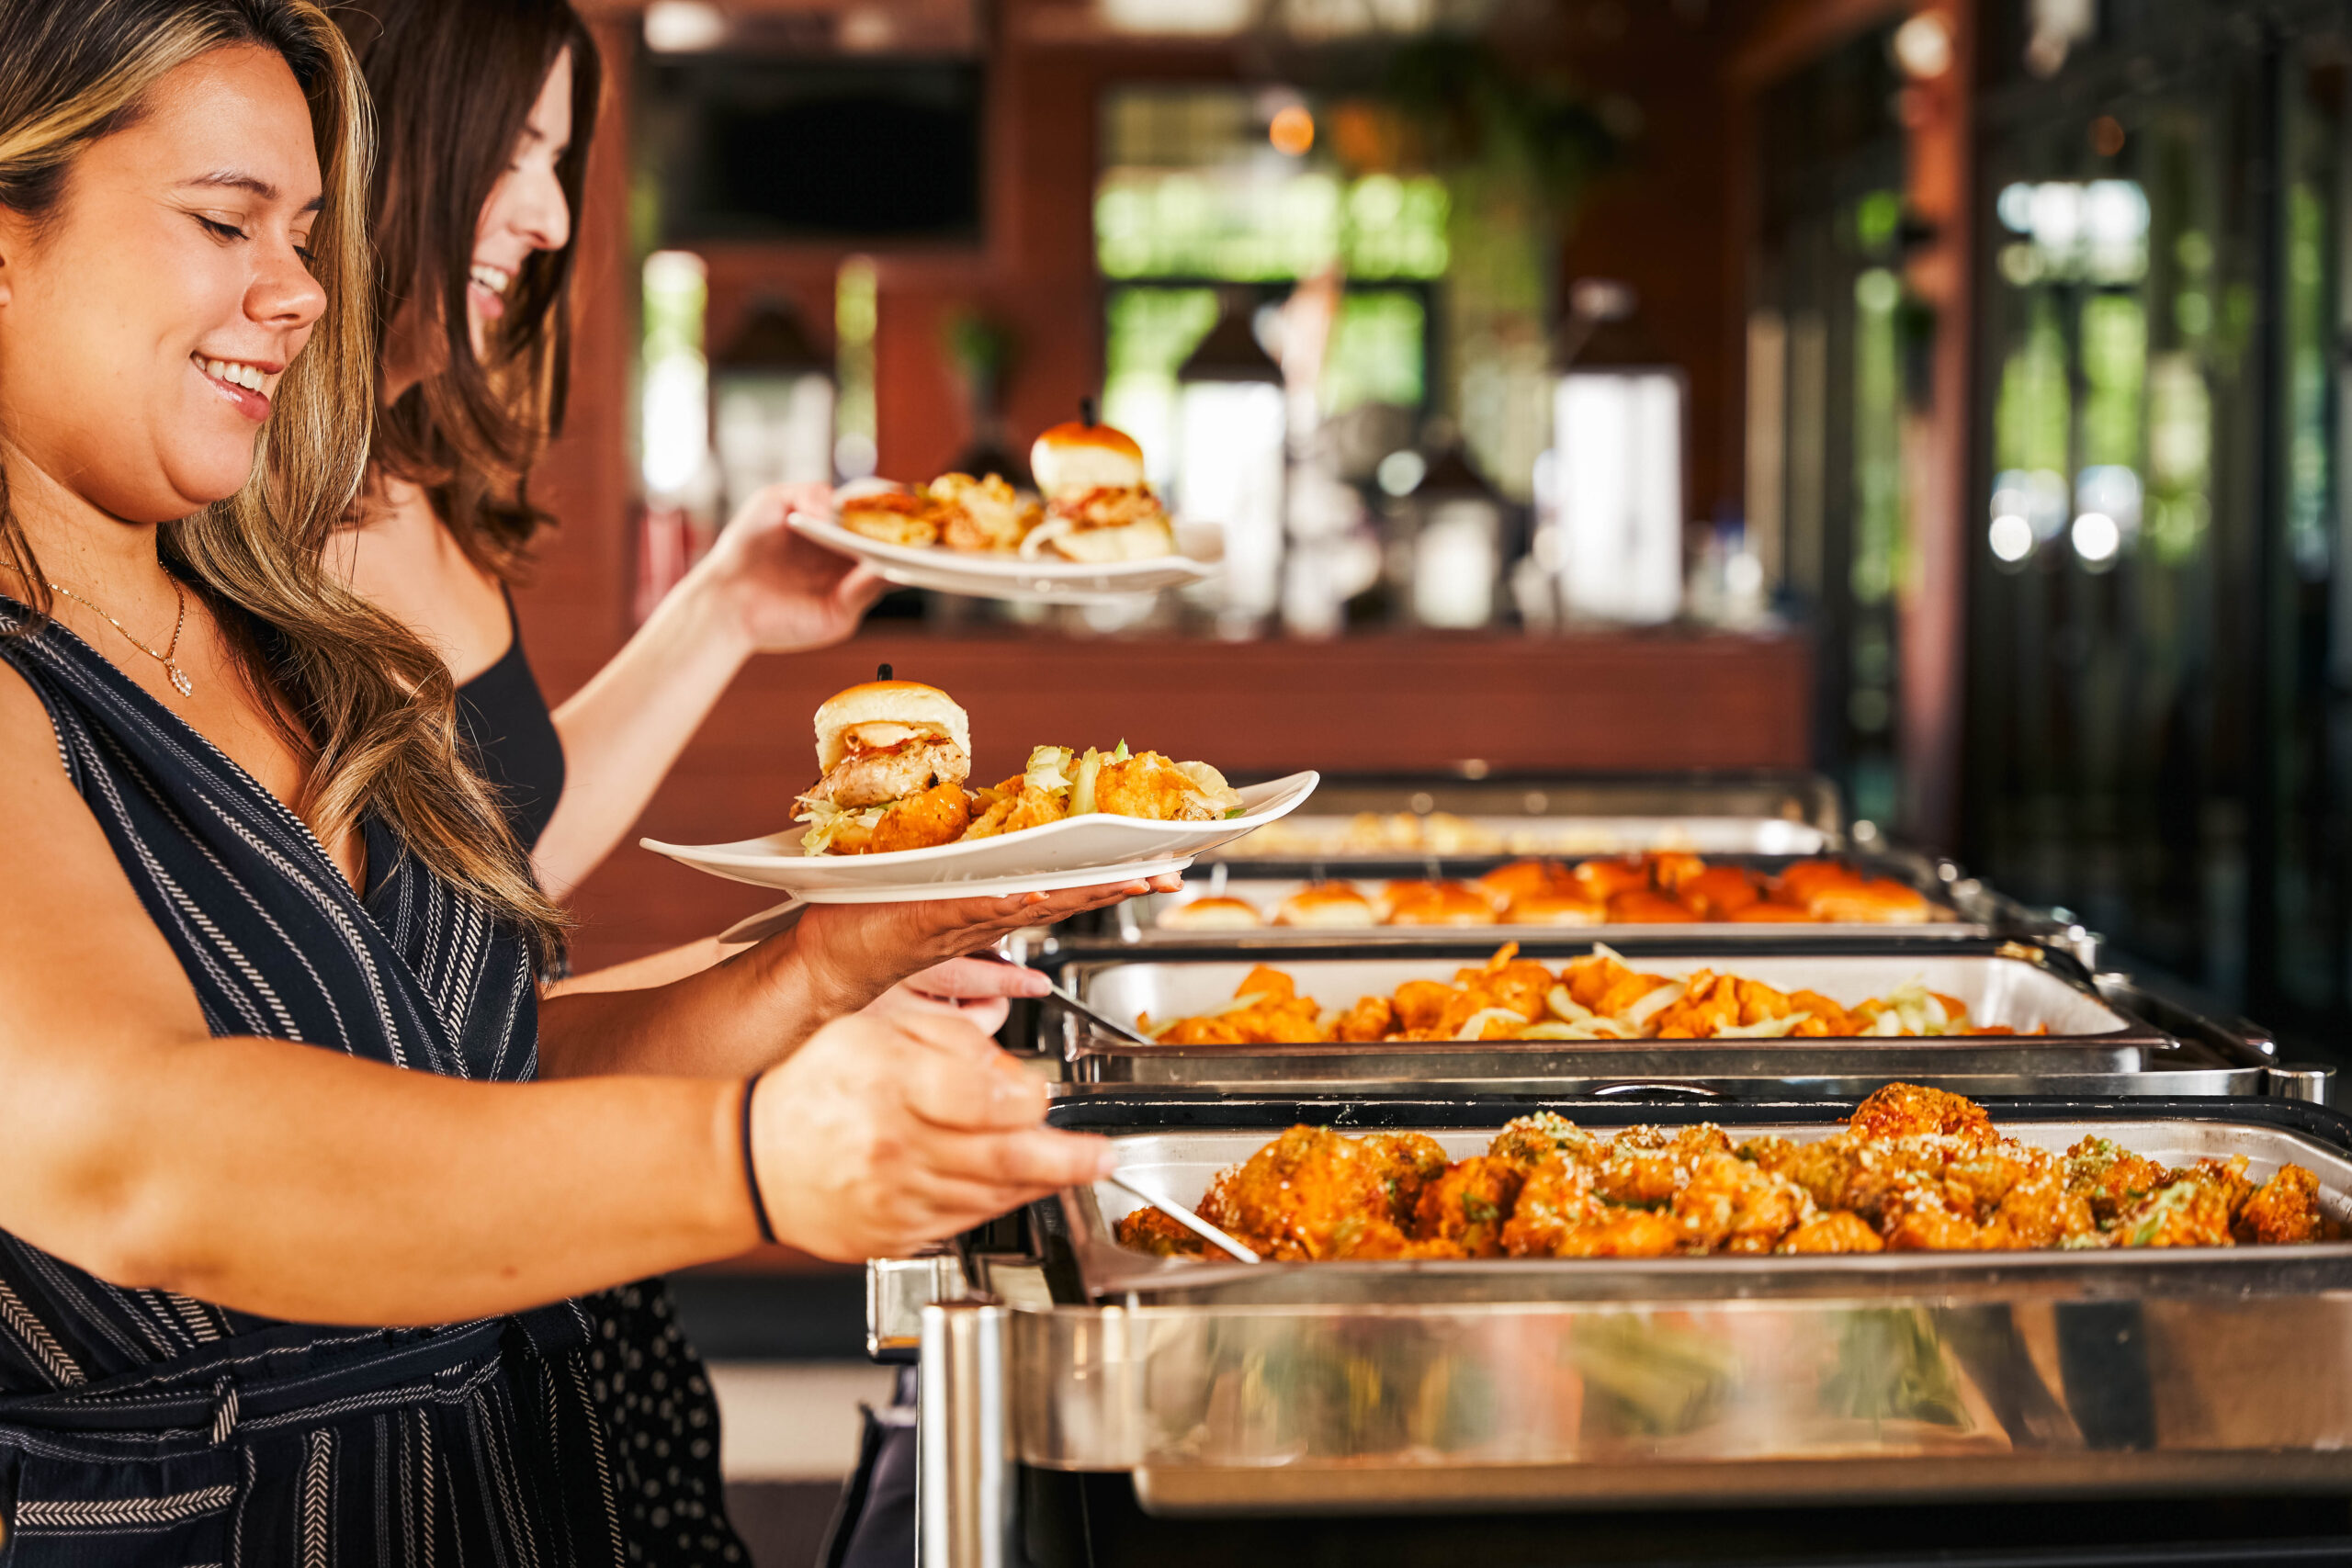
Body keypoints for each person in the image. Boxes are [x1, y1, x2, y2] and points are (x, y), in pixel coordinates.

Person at [0, 2, 1156, 1560]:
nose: (298, 294)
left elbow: (452, 1081)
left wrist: (810, 969)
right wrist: (747, 1158)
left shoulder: (292, 634)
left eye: (312, 235)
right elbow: (136, 1149)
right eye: (226, 223)